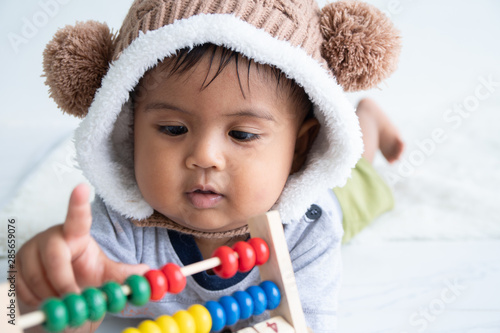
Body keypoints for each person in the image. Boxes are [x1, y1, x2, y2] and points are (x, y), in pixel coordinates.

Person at [16, 1, 402, 332]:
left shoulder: (310, 230)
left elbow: (307, 322)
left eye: (242, 134)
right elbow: (71, 297)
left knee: (361, 181)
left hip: (325, 201)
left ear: (300, 148)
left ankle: (366, 119)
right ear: (129, 132)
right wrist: (43, 289)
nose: (204, 156)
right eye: (172, 128)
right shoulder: (119, 227)